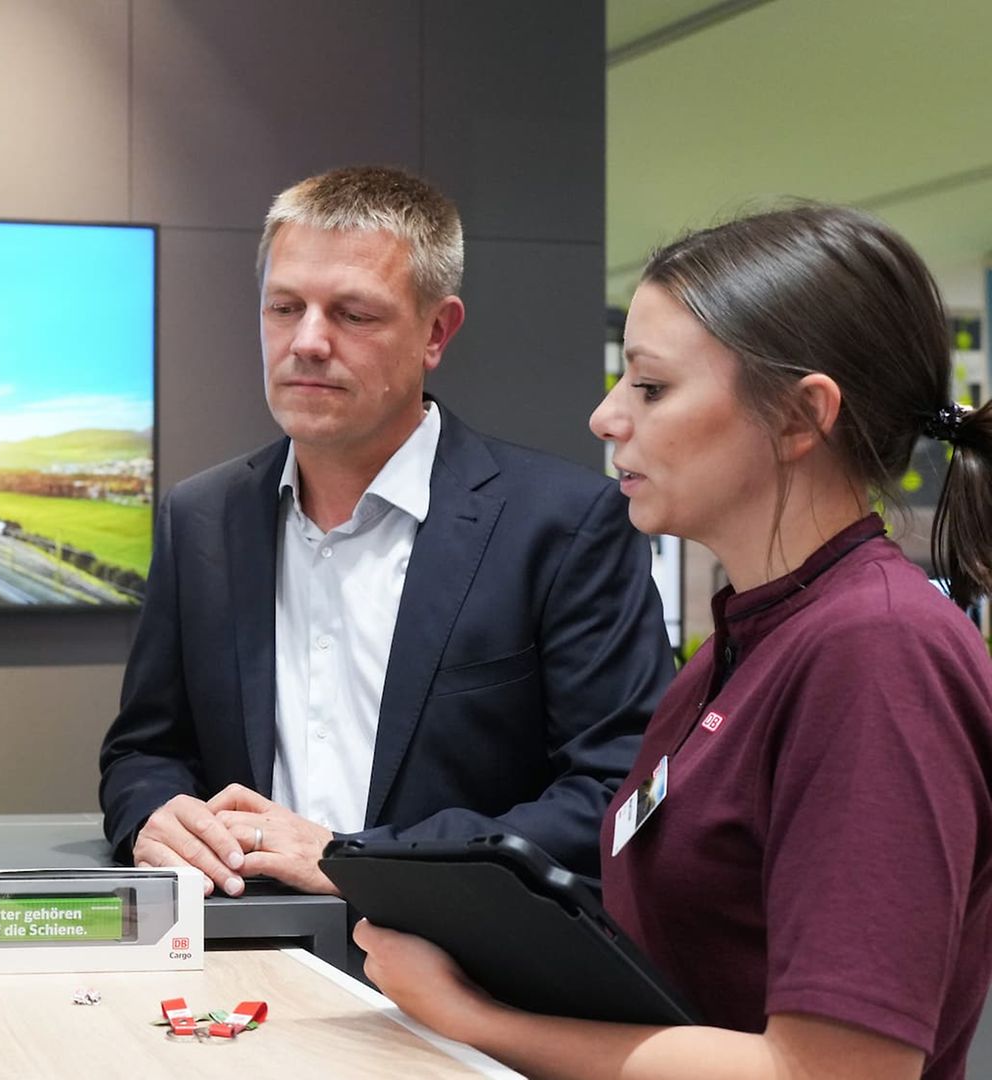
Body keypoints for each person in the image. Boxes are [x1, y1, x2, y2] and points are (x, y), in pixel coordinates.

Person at [358, 205, 992, 1080]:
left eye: (651, 388)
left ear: (801, 417)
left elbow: (837, 1072)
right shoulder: (744, 645)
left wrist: (478, 1018)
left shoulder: (877, 651)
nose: (606, 417)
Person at [98, 165, 675, 896]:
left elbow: (619, 791)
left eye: (353, 314)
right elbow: (144, 750)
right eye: (283, 308)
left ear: (436, 332)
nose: (307, 341)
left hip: (472, 976)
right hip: (247, 960)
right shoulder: (201, 518)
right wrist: (153, 814)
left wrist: (361, 861)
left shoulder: (563, 526)